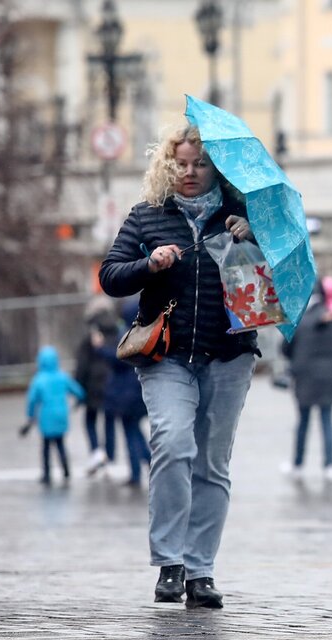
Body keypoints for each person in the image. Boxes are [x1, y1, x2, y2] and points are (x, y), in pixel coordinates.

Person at [99, 123, 260, 609]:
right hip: (166, 354)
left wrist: (255, 238)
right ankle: (170, 560)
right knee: (171, 440)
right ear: (168, 165)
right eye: (181, 164)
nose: (189, 173)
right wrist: (150, 265)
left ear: (217, 169)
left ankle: (200, 570)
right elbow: (110, 276)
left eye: (200, 164)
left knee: (212, 462)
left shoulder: (243, 214)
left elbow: (281, 275)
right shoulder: (148, 215)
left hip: (229, 352)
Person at [282, 286, 332, 482]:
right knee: (327, 422)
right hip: (328, 378)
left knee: (303, 423)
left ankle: (297, 465)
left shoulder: (299, 321)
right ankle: (330, 466)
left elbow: (285, 350)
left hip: (304, 378)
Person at [102, 301, 152, 487]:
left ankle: (138, 472)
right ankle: (147, 463)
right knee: (135, 431)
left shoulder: (128, 337)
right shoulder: (144, 332)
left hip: (126, 396)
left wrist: (100, 349)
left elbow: (118, 359)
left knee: (130, 433)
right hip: (138, 393)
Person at [23, 346, 86, 485]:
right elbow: (79, 391)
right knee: (60, 444)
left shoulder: (39, 380)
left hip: (46, 417)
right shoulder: (62, 376)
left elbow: (32, 400)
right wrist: (78, 402)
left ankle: (46, 474)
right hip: (61, 416)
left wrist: (29, 417)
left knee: (46, 446)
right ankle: (66, 470)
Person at [75, 300, 118, 476]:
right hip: (112, 382)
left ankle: (97, 452)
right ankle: (108, 454)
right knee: (109, 421)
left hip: (93, 384)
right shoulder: (116, 333)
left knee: (90, 420)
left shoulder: (91, 337)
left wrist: (79, 387)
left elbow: (82, 365)